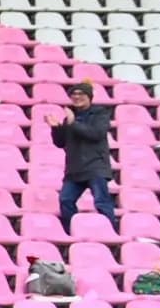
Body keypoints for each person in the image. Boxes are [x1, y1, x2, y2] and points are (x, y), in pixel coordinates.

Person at [50, 79, 116, 230]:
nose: (77, 97)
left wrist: (74, 124)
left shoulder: (100, 114)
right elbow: (60, 143)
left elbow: (96, 134)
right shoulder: (70, 117)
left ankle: (111, 231)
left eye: (81, 94)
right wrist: (56, 128)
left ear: (89, 97)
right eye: (74, 94)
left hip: (95, 167)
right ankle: (70, 230)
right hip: (75, 169)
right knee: (65, 199)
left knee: (101, 201)